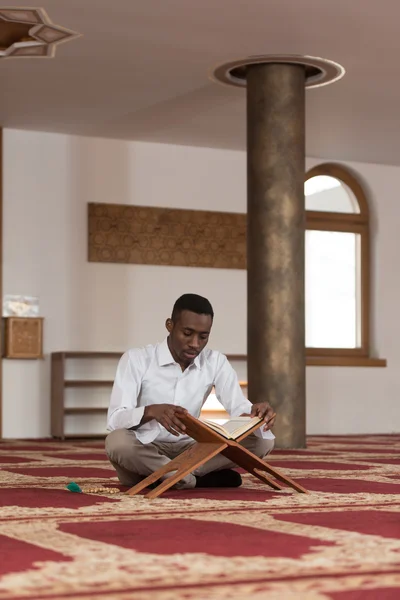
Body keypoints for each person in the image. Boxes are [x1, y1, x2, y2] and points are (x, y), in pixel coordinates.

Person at [105, 293, 276, 489]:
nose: (195, 343)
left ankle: (171, 477)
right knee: (117, 442)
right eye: (187, 333)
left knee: (263, 442)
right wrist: (152, 411)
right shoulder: (136, 359)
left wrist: (256, 415)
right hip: (146, 447)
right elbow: (115, 419)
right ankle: (190, 478)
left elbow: (239, 406)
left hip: (192, 450)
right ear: (170, 325)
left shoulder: (216, 361)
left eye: (203, 336)